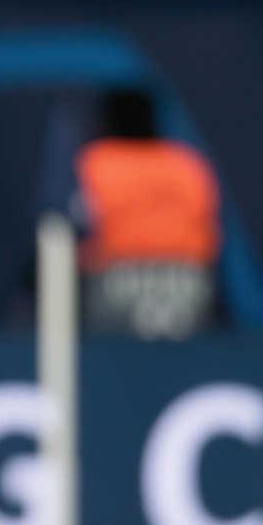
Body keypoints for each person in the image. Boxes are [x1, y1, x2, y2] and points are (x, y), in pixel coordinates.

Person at [75, 86, 220, 339]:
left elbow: (76, 223)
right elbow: (208, 229)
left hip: (110, 285)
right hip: (191, 283)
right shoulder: (187, 163)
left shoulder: (96, 161)